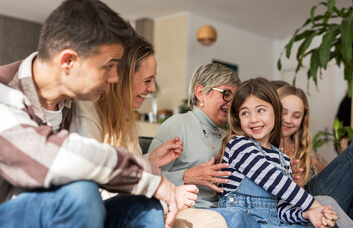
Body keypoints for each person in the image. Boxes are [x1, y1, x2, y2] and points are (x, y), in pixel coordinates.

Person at [0, 0, 178, 228]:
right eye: (108, 66)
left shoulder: (72, 103)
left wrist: (149, 178)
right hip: (5, 214)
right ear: (68, 61)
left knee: (143, 203)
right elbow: (49, 156)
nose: (115, 78)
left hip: (59, 213)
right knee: (81, 192)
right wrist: (145, 175)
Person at [70, 36, 228, 227]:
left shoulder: (125, 118)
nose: (152, 88)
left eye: (154, 79)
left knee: (216, 219)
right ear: (121, 78)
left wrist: (150, 160)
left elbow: (122, 170)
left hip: (133, 203)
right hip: (103, 211)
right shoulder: (88, 112)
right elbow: (98, 183)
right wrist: (167, 198)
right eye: (147, 80)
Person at [216, 77, 337, 227]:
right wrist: (314, 205)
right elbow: (273, 180)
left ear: (276, 112)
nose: (253, 119)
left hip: (271, 223)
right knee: (237, 218)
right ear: (237, 118)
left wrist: (307, 213)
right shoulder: (238, 145)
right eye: (245, 113)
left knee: (311, 222)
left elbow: (279, 210)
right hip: (244, 221)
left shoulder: (282, 159)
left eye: (261, 110)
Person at [148, 63, 241, 225]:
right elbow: (148, 177)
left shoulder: (228, 136)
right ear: (200, 93)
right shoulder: (177, 124)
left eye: (235, 98)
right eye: (226, 94)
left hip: (223, 209)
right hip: (186, 208)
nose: (231, 103)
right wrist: (186, 176)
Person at [277, 85, 353, 226]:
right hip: (295, 205)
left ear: (303, 119)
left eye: (296, 116)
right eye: (283, 112)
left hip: (312, 196)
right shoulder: (261, 144)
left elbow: (332, 179)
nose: (288, 120)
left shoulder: (302, 147)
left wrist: (314, 165)